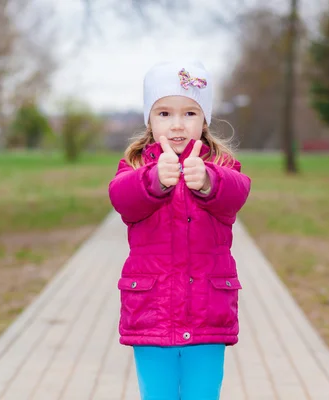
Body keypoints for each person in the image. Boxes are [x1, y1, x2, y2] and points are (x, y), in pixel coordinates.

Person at [108, 60, 251, 400]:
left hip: (208, 313)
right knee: (157, 394)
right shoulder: (136, 165)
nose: (177, 124)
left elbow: (238, 192)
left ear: (205, 120)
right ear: (149, 119)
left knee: (203, 393)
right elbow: (122, 198)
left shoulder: (221, 165)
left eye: (190, 114)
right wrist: (153, 180)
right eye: (164, 113)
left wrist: (208, 181)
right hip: (152, 310)